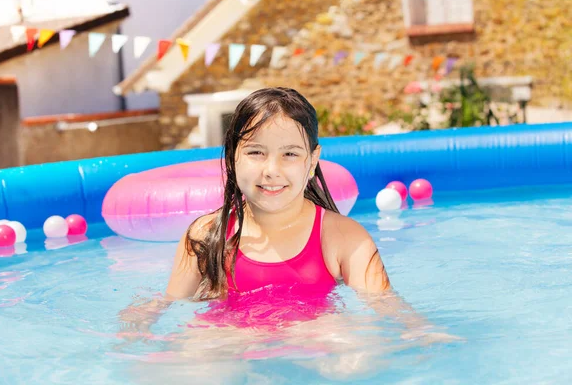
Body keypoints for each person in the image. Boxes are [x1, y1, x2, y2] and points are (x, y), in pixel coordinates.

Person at [118, 87, 458, 356]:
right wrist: (139, 319)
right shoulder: (206, 235)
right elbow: (174, 300)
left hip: (313, 334)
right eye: (255, 152)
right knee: (193, 363)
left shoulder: (343, 238)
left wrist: (420, 329)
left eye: (290, 154)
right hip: (230, 337)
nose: (272, 170)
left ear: (312, 161)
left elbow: (385, 303)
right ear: (233, 158)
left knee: (356, 356)